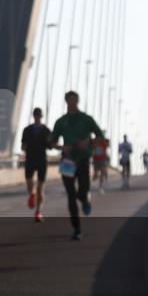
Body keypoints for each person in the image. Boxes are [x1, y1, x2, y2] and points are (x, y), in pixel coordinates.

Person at [50, 91, 106, 241]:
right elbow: (52, 142)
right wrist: (62, 148)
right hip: (67, 162)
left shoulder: (87, 119)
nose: (72, 104)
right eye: (69, 101)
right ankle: (77, 228)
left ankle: (85, 200)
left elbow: (101, 137)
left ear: (78, 101)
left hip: (83, 160)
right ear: (66, 102)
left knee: (83, 190)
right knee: (70, 196)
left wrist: (88, 143)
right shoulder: (60, 121)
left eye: (74, 101)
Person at [20, 107, 52, 222]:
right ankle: (32, 195)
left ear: (41, 116)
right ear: (34, 116)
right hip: (30, 159)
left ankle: (38, 212)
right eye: (36, 115)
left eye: (39, 115)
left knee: (40, 188)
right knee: (30, 185)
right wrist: (25, 146)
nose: (37, 117)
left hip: (42, 160)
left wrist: (51, 141)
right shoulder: (26, 130)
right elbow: (23, 146)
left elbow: (50, 146)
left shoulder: (46, 130)